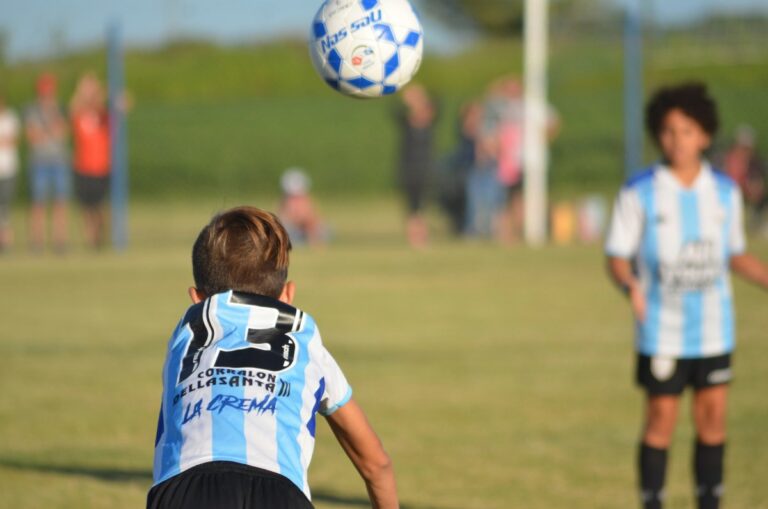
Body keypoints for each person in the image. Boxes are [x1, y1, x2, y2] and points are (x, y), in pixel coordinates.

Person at [148, 206, 398, 509]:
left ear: (196, 299)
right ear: (288, 296)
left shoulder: (187, 333)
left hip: (186, 487)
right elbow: (376, 464)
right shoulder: (304, 339)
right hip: (279, 492)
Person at [605, 83, 768, 509]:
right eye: (668, 131)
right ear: (657, 134)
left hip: (714, 329)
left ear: (706, 135)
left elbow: (735, 255)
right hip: (662, 329)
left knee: (713, 420)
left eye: (688, 131)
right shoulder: (639, 190)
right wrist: (629, 285)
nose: (678, 141)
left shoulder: (725, 192)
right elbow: (617, 257)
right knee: (661, 419)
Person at [25, 73, 70, 252]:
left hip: (59, 161)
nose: (47, 96)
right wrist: (50, 131)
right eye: (44, 93)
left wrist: (46, 131)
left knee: (60, 203)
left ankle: (60, 242)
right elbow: (32, 137)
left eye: (49, 92)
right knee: (38, 204)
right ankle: (37, 242)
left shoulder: (60, 108)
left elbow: (64, 132)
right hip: (39, 162)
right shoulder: (31, 110)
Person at [70, 72, 111, 249]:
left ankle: (100, 235)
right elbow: (73, 107)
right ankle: (91, 239)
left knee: (99, 206)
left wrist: (96, 88)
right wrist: (82, 90)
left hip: (101, 166)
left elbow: (117, 101)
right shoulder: (79, 114)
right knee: (86, 207)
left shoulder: (103, 115)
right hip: (83, 166)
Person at [396, 84, 437, 248]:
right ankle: (414, 238)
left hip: (425, 168)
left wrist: (421, 97)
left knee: (421, 205)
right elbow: (396, 112)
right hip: (408, 168)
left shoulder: (430, 123)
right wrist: (407, 101)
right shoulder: (406, 123)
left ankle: (422, 236)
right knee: (411, 206)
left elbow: (437, 104)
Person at [721, 125, 767, 233]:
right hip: (730, 189)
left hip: (743, 189)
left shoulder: (753, 160)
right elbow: (731, 178)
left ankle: (756, 223)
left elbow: (756, 178)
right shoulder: (730, 158)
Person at [278, 168, 328, 246]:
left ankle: (313, 242)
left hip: (304, 231)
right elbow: (285, 220)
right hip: (293, 232)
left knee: (324, 230)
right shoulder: (285, 202)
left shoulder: (306, 199)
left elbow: (313, 217)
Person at [0, 94, 20, 252]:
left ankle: (5, 241)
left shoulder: (10, 118)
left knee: (4, 207)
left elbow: (13, 140)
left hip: (7, 169)